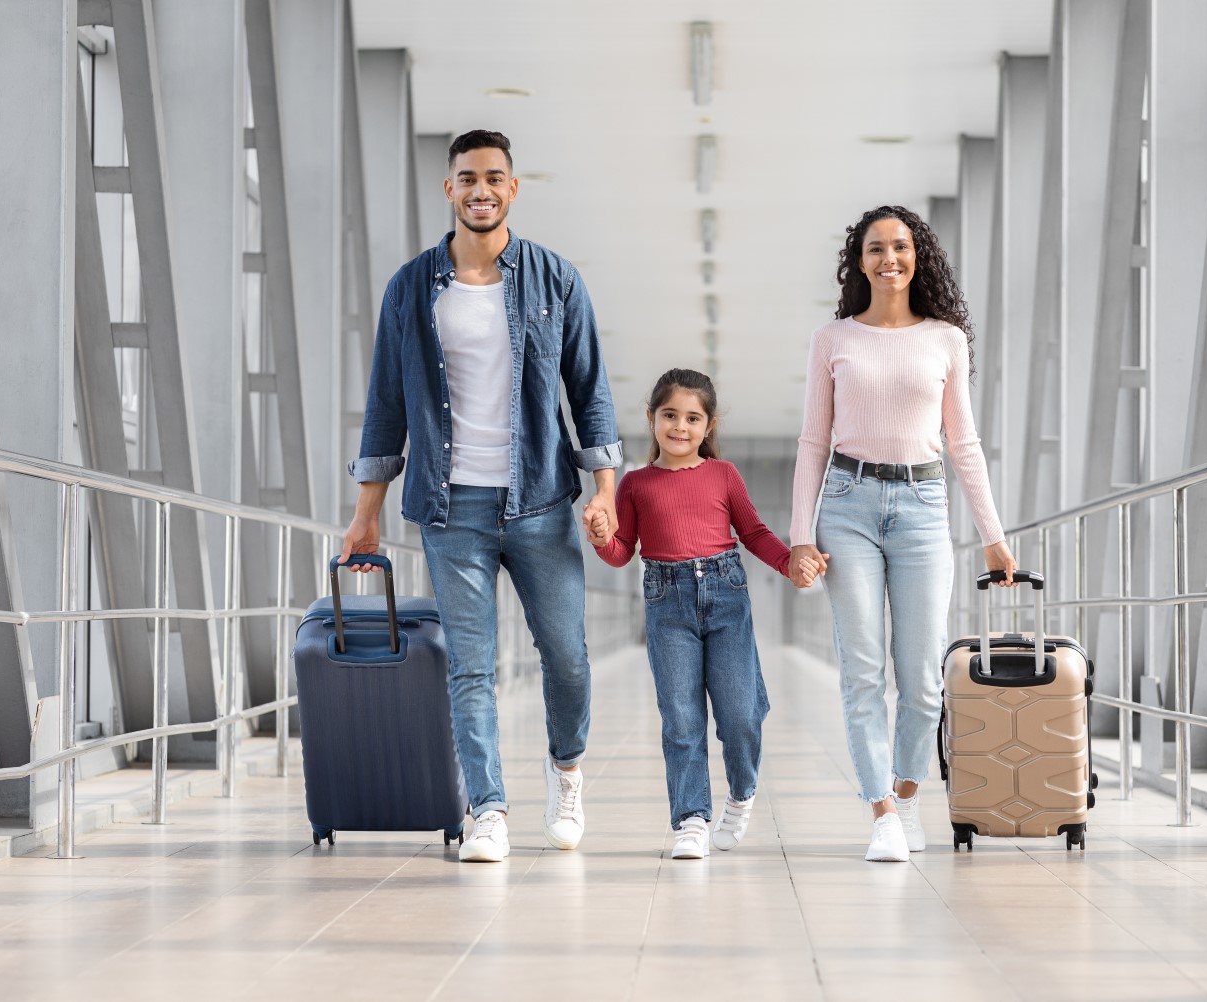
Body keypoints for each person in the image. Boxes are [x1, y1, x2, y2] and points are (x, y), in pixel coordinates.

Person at [341, 130, 622, 863]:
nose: (480, 189)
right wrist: (366, 512)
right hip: (449, 505)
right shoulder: (411, 286)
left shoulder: (555, 280)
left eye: (494, 177)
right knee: (470, 666)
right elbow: (385, 403)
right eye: (467, 177)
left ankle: (566, 773)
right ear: (449, 190)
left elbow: (589, 391)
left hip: (539, 500)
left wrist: (606, 491)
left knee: (567, 657)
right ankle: (487, 807)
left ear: (513, 188)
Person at [789, 204, 1018, 863]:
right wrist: (801, 535)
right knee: (862, 670)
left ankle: (909, 794)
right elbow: (812, 442)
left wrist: (993, 536)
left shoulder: (946, 339)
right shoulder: (832, 340)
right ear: (858, 262)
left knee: (920, 678)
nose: (891, 258)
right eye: (876, 248)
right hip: (847, 503)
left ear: (919, 256)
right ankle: (882, 814)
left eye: (902, 246)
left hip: (922, 506)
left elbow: (964, 443)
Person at [590, 369, 817, 859]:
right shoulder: (634, 484)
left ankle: (742, 790)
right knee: (681, 717)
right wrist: (602, 536)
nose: (680, 427)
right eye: (670, 415)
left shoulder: (723, 475)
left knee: (739, 713)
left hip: (726, 595)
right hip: (665, 602)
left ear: (709, 426)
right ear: (651, 418)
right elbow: (623, 550)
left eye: (693, 418)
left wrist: (789, 562)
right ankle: (691, 818)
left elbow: (754, 532)